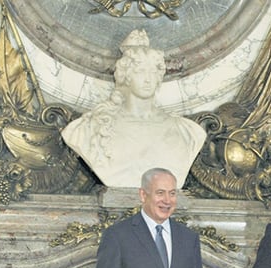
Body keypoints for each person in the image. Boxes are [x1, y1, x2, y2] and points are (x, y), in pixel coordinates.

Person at [61, 30, 206, 188]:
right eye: (140, 71)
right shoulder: (91, 128)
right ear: (126, 76)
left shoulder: (188, 132)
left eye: (153, 71)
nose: (148, 79)